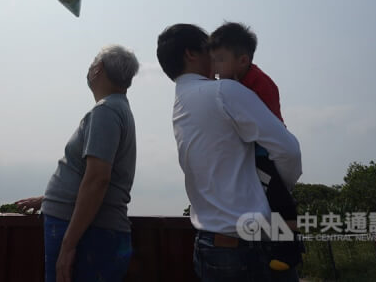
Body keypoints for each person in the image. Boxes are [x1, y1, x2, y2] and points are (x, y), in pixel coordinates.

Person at [156, 24, 302, 281]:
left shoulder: (181, 104)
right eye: (209, 49)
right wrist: (278, 188)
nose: (215, 57)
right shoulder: (224, 92)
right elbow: (288, 151)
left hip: (208, 245)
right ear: (191, 54)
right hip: (248, 248)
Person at [15, 45, 139, 282]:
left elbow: (98, 179)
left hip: (87, 233)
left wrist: (68, 245)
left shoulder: (106, 111)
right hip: (92, 229)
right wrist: (48, 200)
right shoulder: (118, 109)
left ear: (97, 70)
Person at [209, 22, 302, 270]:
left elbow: (266, 127)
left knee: (278, 197)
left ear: (242, 60)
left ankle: (290, 249)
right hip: (252, 148)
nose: (214, 67)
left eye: (219, 60)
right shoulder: (236, 82)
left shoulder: (259, 84)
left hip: (263, 151)